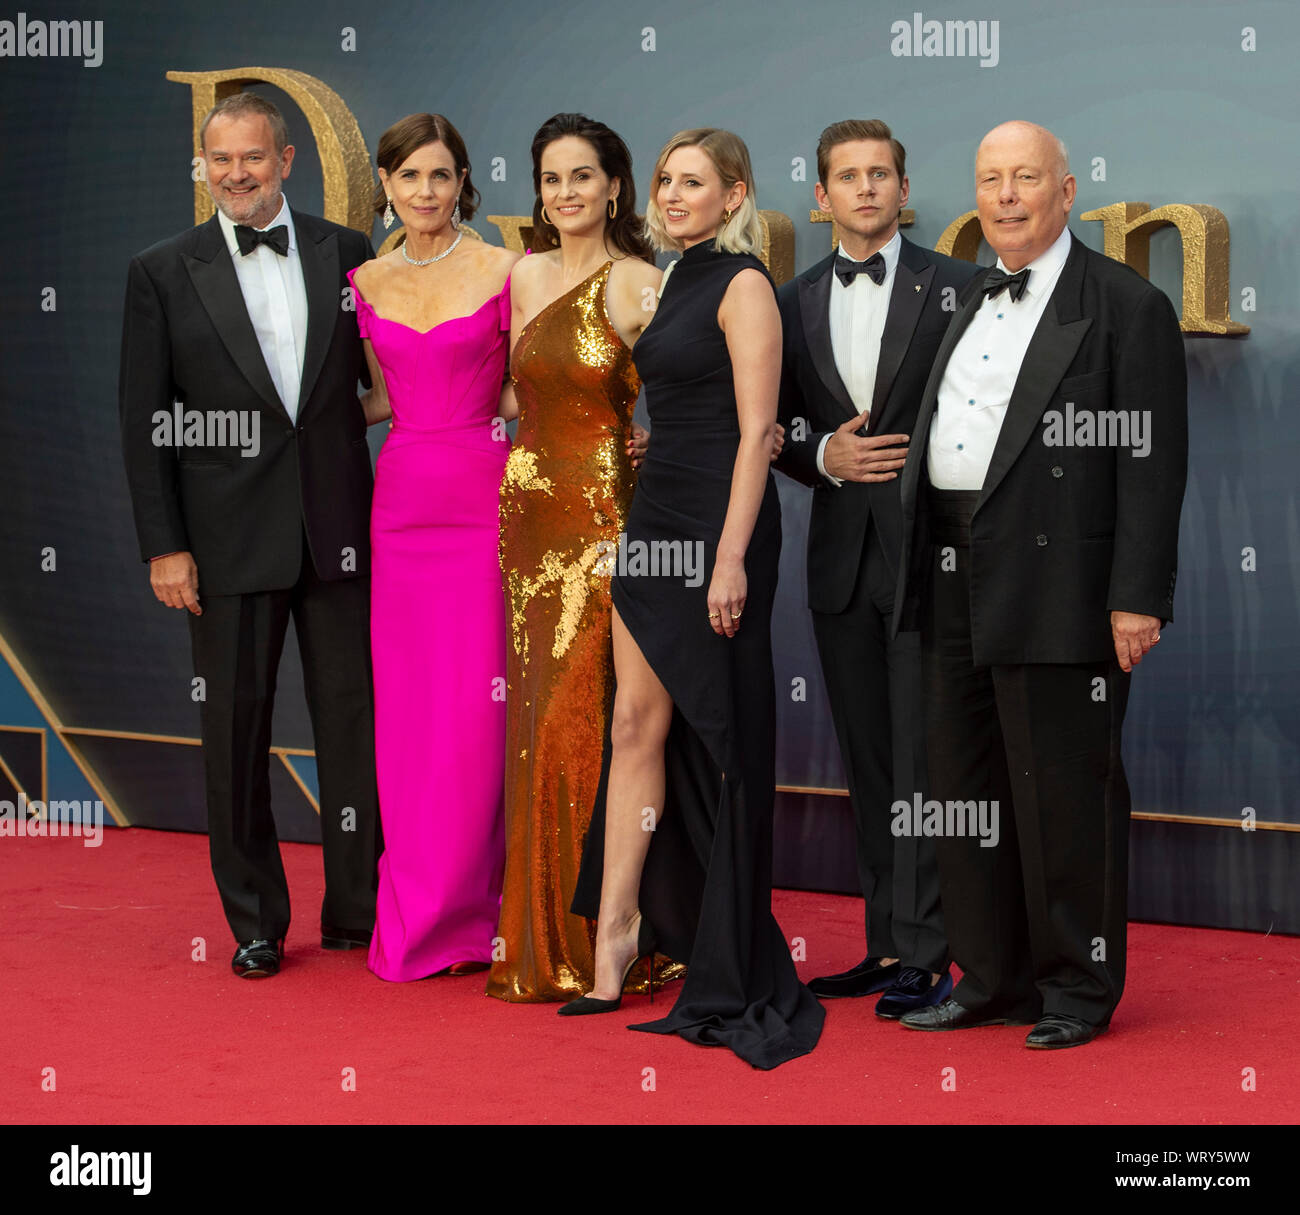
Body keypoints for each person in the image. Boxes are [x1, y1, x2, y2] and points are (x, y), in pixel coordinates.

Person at [893, 121, 1187, 1048]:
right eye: (991, 179)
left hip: (1062, 577)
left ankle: (1076, 989)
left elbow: (1151, 464)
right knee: (965, 781)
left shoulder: (1126, 305)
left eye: (1027, 178)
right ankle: (989, 977)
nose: (1007, 195)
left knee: (1064, 788)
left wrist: (1136, 595)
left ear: (1068, 192)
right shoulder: (966, 295)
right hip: (948, 565)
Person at [564, 128, 825, 1070]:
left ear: (735, 194)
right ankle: (619, 936)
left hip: (718, 531)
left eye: (693, 183)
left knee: (718, 741)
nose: (672, 196)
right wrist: (648, 445)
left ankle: (730, 949)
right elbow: (680, 404)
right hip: (656, 516)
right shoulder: (669, 279)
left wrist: (729, 559)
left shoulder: (746, 284)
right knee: (636, 725)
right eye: (666, 182)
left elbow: (759, 432)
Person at [119, 92, 381, 978]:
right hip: (223, 541)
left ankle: (360, 911)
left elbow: (381, 384)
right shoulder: (160, 269)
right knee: (235, 730)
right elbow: (146, 420)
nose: (236, 173)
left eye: (253, 158)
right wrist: (164, 544)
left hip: (341, 529)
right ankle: (255, 920)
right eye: (219, 160)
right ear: (204, 166)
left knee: (356, 725)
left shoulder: (348, 253)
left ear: (287, 160)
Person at [775, 119, 982, 1018]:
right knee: (869, 760)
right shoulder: (790, 300)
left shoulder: (962, 286)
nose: (864, 189)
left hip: (934, 558)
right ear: (820, 196)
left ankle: (934, 952)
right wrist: (823, 454)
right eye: (847, 177)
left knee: (928, 761)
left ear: (904, 189)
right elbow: (772, 425)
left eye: (880, 174)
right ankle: (887, 941)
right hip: (839, 564)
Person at [485, 113, 677, 1002]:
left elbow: (695, 392)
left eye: (582, 177)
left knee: (590, 716)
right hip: (527, 515)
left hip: (607, 521)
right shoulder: (522, 276)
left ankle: (599, 927)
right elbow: (515, 392)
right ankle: (534, 934)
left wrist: (652, 439)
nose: (566, 193)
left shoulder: (642, 282)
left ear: (614, 187)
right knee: (535, 718)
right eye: (551, 178)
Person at [348, 113, 518, 981]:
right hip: (402, 499)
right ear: (386, 182)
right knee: (411, 712)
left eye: (441, 176)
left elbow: (534, 389)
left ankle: (479, 913)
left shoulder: (503, 269)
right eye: (410, 175)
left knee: (477, 712)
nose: (425, 191)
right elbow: (373, 402)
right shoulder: (363, 280)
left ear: (463, 184)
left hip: (484, 498)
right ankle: (417, 915)